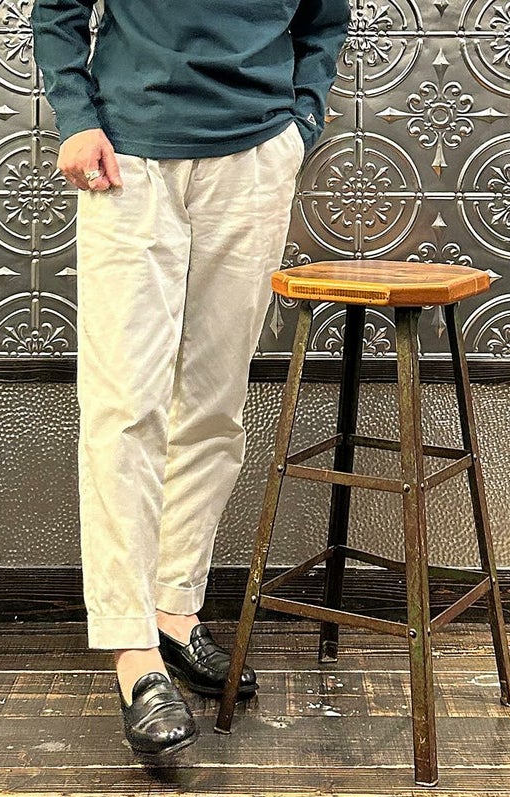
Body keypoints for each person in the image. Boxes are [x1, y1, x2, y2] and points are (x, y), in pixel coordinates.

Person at [30, 0, 351, 757]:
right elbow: (58, 8)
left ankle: (175, 610)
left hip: (254, 158)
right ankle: (133, 651)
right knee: (124, 408)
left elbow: (324, 20)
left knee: (214, 406)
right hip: (127, 156)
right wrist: (75, 116)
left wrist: (299, 126)